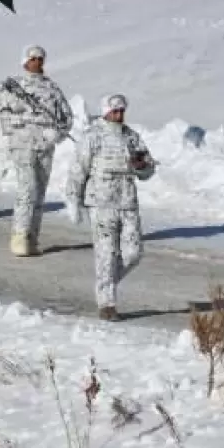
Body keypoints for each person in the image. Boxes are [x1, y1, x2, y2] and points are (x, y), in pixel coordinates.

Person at [65, 94, 156, 320]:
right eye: (114, 111)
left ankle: (104, 283)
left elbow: (148, 169)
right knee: (106, 253)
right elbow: (78, 171)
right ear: (105, 111)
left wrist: (142, 166)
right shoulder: (92, 137)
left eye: (122, 111)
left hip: (127, 202)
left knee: (134, 253)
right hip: (101, 203)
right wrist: (73, 201)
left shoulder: (132, 138)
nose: (118, 115)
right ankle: (107, 303)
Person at [0, 45, 73, 257]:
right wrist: (11, 101)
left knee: (39, 192)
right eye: (33, 58)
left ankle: (32, 238)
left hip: (44, 146)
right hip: (22, 143)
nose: (37, 62)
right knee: (27, 188)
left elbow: (67, 118)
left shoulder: (52, 89)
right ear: (24, 61)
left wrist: (57, 134)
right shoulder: (15, 86)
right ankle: (19, 235)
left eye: (40, 59)